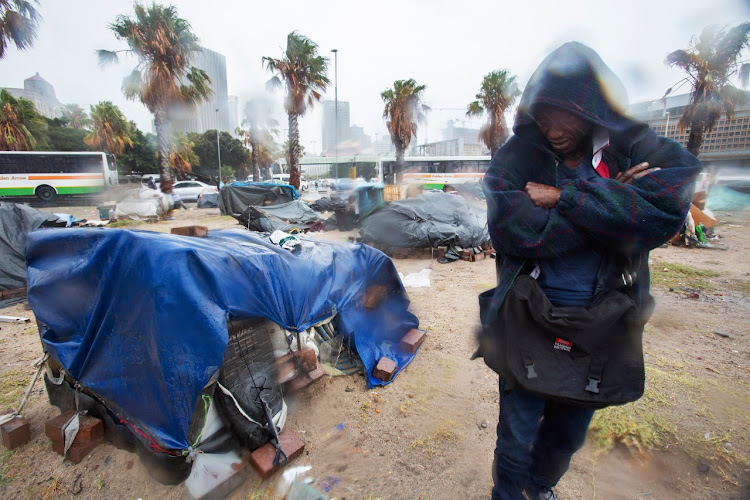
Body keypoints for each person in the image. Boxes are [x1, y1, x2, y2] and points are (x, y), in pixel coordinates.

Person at [480, 42, 701, 500]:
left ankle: (540, 488)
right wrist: (615, 206)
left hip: (601, 327)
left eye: (564, 115)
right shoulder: (517, 156)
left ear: (592, 109)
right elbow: (513, 230)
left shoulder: (631, 146)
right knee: (517, 432)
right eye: (543, 114)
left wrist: (567, 197)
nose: (552, 127)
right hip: (529, 322)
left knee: (569, 433)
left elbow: (668, 209)